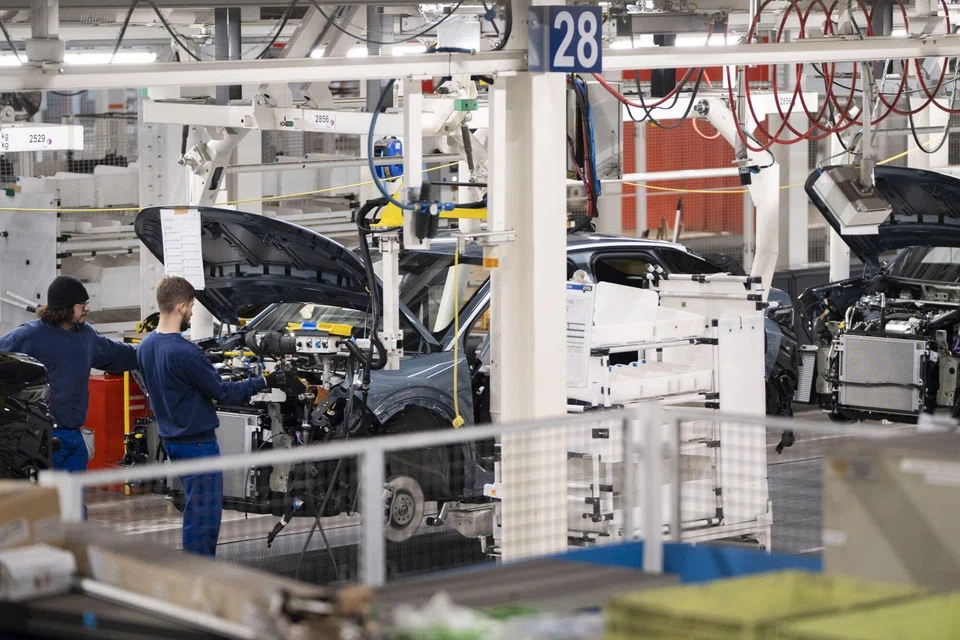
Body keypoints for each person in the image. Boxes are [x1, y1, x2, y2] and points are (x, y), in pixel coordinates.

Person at [136, 276, 288, 557]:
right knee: (205, 516)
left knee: (195, 510)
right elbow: (225, 393)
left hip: (172, 441)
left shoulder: (145, 347)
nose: (193, 312)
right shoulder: (185, 352)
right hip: (198, 445)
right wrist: (265, 382)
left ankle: (194, 567)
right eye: (192, 306)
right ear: (181, 307)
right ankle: (201, 572)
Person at [0, 275, 138, 472]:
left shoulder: (86, 335)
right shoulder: (30, 336)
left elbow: (117, 354)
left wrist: (152, 350)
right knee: (48, 501)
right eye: (82, 304)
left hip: (75, 437)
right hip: (42, 439)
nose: (88, 308)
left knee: (75, 501)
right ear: (64, 307)